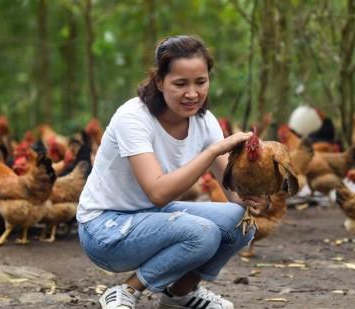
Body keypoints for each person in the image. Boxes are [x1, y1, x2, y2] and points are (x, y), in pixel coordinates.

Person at [77, 35, 268, 309]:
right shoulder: (133, 117)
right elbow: (157, 193)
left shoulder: (205, 121)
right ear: (159, 81)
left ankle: (179, 294)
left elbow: (234, 194)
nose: (192, 94)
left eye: (200, 82)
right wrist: (212, 151)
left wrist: (256, 196)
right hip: (104, 228)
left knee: (241, 221)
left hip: (152, 219)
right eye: (180, 83)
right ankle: (126, 291)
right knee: (202, 233)